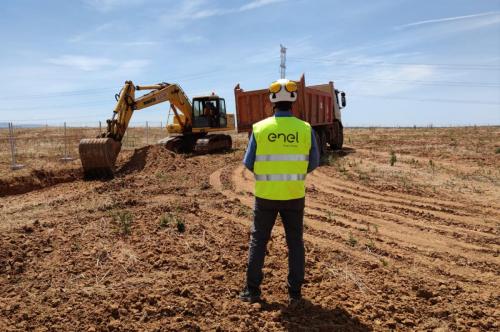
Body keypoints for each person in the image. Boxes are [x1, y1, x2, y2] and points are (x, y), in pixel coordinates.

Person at [239, 78, 320, 305]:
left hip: (265, 195)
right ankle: (294, 294)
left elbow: (248, 162)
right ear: (293, 100)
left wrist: (268, 174)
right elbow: (313, 163)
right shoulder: (305, 129)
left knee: (259, 241)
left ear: (272, 100)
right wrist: (293, 172)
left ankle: (252, 291)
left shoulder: (260, 128)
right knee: (295, 243)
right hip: (294, 194)